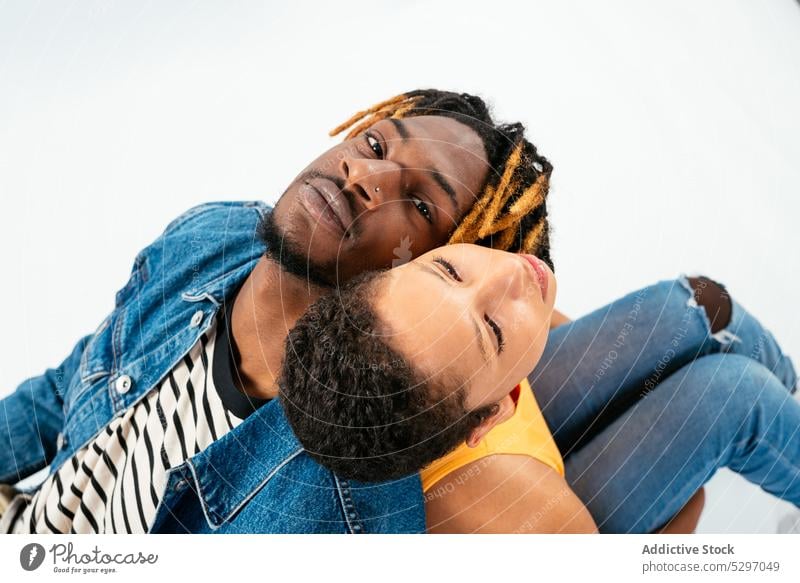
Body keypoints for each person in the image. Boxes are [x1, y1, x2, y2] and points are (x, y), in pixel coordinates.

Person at [0, 89, 560, 533]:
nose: (361, 177)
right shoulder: (211, 237)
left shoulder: (344, 519)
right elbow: (61, 391)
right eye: (374, 145)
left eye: (418, 204)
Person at [280, 243, 800, 534]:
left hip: (495, 420)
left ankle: (791, 402)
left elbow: (546, 320)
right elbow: (672, 539)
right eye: (494, 329)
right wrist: (684, 488)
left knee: (693, 305)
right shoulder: (529, 525)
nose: (509, 270)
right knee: (734, 397)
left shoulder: (368, 337)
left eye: (449, 270)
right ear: (496, 410)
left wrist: (624, 367)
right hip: (564, 508)